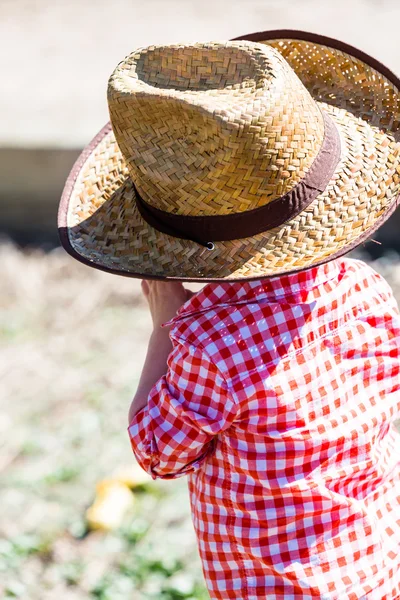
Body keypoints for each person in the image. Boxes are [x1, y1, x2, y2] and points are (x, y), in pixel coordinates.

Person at [59, 32, 400, 599]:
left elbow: (158, 451)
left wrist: (166, 322)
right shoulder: (364, 289)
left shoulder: (211, 348)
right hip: (374, 564)